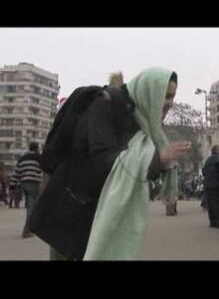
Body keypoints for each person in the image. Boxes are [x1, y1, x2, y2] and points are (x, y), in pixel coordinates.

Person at [29, 68, 190, 260]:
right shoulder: (104, 104)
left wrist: (158, 165)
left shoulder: (139, 119)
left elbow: (135, 172)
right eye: (166, 96)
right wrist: (157, 160)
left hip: (98, 211)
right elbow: (102, 160)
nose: (170, 103)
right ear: (150, 91)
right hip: (74, 210)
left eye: (172, 97)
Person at [14, 142, 42, 238]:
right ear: (37, 148)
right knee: (31, 207)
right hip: (33, 183)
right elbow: (44, 169)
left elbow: (16, 173)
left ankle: (30, 229)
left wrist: (12, 185)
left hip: (24, 184)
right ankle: (26, 231)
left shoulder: (22, 159)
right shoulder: (38, 157)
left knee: (30, 205)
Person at [202, 145, 219, 229]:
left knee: (210, 203)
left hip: (207, 184)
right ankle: (218, 222)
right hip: (216, 184)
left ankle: (212, 221)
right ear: (217, 151)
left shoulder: (208, 160)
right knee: (216, 204)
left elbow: (203, 171)